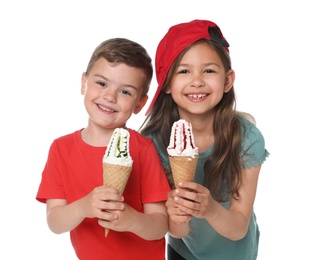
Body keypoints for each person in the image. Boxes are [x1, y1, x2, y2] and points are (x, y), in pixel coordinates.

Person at [140, 20, 269, 260]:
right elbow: (177, 230)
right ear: (167, 83)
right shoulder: (153, 143)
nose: (197, 81)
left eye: (208, 70)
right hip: (184, 252)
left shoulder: (246, 138)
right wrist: (177, 213)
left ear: (228, 80)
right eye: (184, 71)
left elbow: (239, 227)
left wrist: (209, 209)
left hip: (237, 253)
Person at [36, 38, 171, 260]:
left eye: (125, 92)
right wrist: (82, 207)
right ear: (84, 82)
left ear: (139, 104)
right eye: (101, 83)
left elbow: (160, 224)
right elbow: (55, 222)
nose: (109, 97)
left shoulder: (143, 149)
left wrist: (131, 220)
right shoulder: (61, 149)